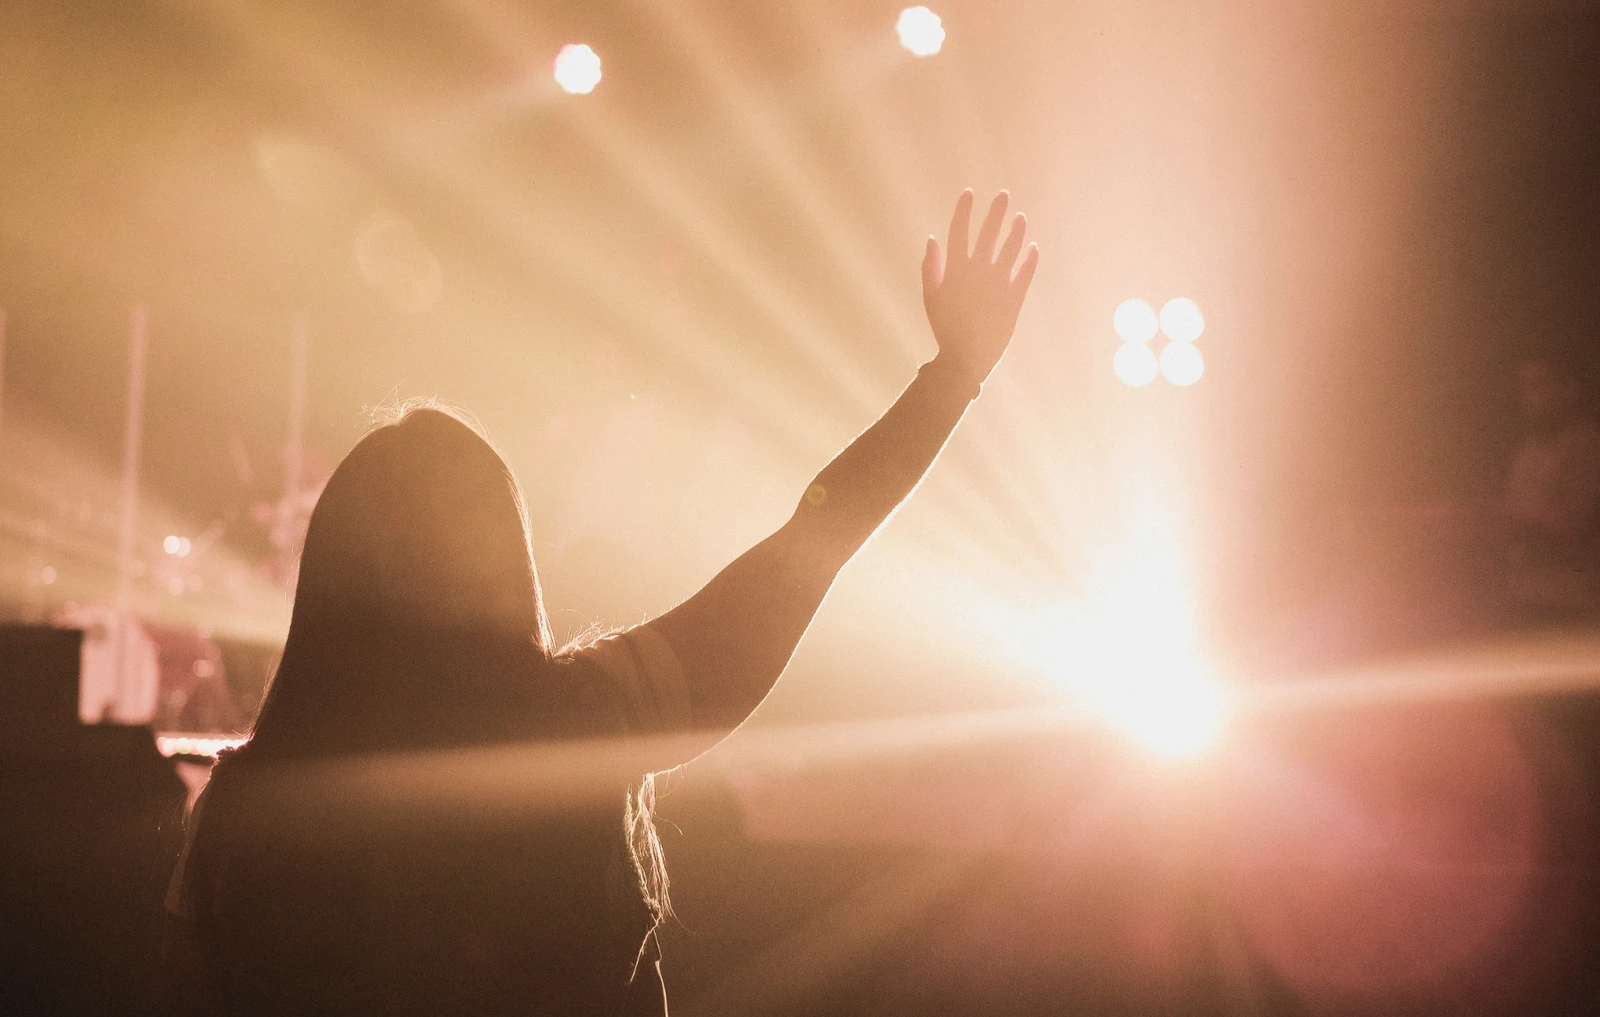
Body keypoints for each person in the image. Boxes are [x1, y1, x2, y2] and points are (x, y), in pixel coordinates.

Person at [163, 190, 1039, 1017]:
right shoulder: (584, 724)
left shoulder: (237, 815)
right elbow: (810, 545)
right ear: (502, 565)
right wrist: (953, 375)